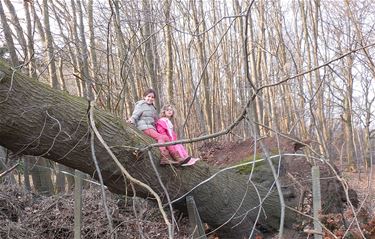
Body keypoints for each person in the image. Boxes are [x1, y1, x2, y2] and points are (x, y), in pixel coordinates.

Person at [127, 89, 193, 166]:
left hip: (151, 128)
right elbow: (135, 115)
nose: (150, 98)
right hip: (143, 127)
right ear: (144, 97)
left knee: (166, 138)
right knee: (161, 137)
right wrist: (131, 120)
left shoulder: (153, 108)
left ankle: (178, 158)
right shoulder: (140, 105)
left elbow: (155, 121)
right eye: (148, 96)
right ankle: (165, 158)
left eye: (152, 97)